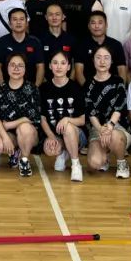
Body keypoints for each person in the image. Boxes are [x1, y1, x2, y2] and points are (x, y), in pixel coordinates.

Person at [0, 52, 41, 177]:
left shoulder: (32, 88)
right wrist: (5, 138)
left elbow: (33, 117)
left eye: (20, 65)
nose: (16, 68)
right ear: (7, 68)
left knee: (24, 128)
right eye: (12, 65)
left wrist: (11, 124)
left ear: (25, 68)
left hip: (29, 134)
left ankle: (24, 160)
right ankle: (15, 152)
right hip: (9, 133)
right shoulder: (1, 89)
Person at [85, 44, 131, 178]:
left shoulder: (118, 81)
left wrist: (110, 126)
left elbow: (119, 108)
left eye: (106, 58)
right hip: (97, 128)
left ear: (111, 61)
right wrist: (100, 129)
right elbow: (90, 112)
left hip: (117, 127)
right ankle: (104, 157)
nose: (102, 61)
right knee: (94, 163)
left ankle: (121, 162)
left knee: (115, 136)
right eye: (98, 57)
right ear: (93, 60)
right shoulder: (88, 84)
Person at [40, 50, 87, 182]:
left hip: (77, 135)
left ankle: (75, 164)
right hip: (55, 134)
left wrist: (67, 119)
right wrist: (51, 136)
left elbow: (82, 120)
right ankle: (62, 152)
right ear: (50, 66)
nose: (59, 67)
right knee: (49, 149)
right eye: (55, 63)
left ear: (68, 66)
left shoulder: (76, 88)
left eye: (63, 63)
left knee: (68, 127)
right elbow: (42, 118)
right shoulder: (44, 88)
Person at [0, 8, 44, 85]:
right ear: (10, 23)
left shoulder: (35, 42)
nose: (18, 22)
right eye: (15, 19)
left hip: (30, 86)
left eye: (22, 19)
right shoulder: (2, 41)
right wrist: (3, 87)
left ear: (27, 23)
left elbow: (40, 66)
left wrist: (36, 87)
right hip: (7, 86)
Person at [75, 11, 127, 85]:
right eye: (93, 23)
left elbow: (121, 70)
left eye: (100, 23)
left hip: (112, 87)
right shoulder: (81, 45)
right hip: (88, 87)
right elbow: (79, 72)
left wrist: (120, 88)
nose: (97, 26)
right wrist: (87, 89)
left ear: (106, 25)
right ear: (88, 26)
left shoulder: (116, 45)